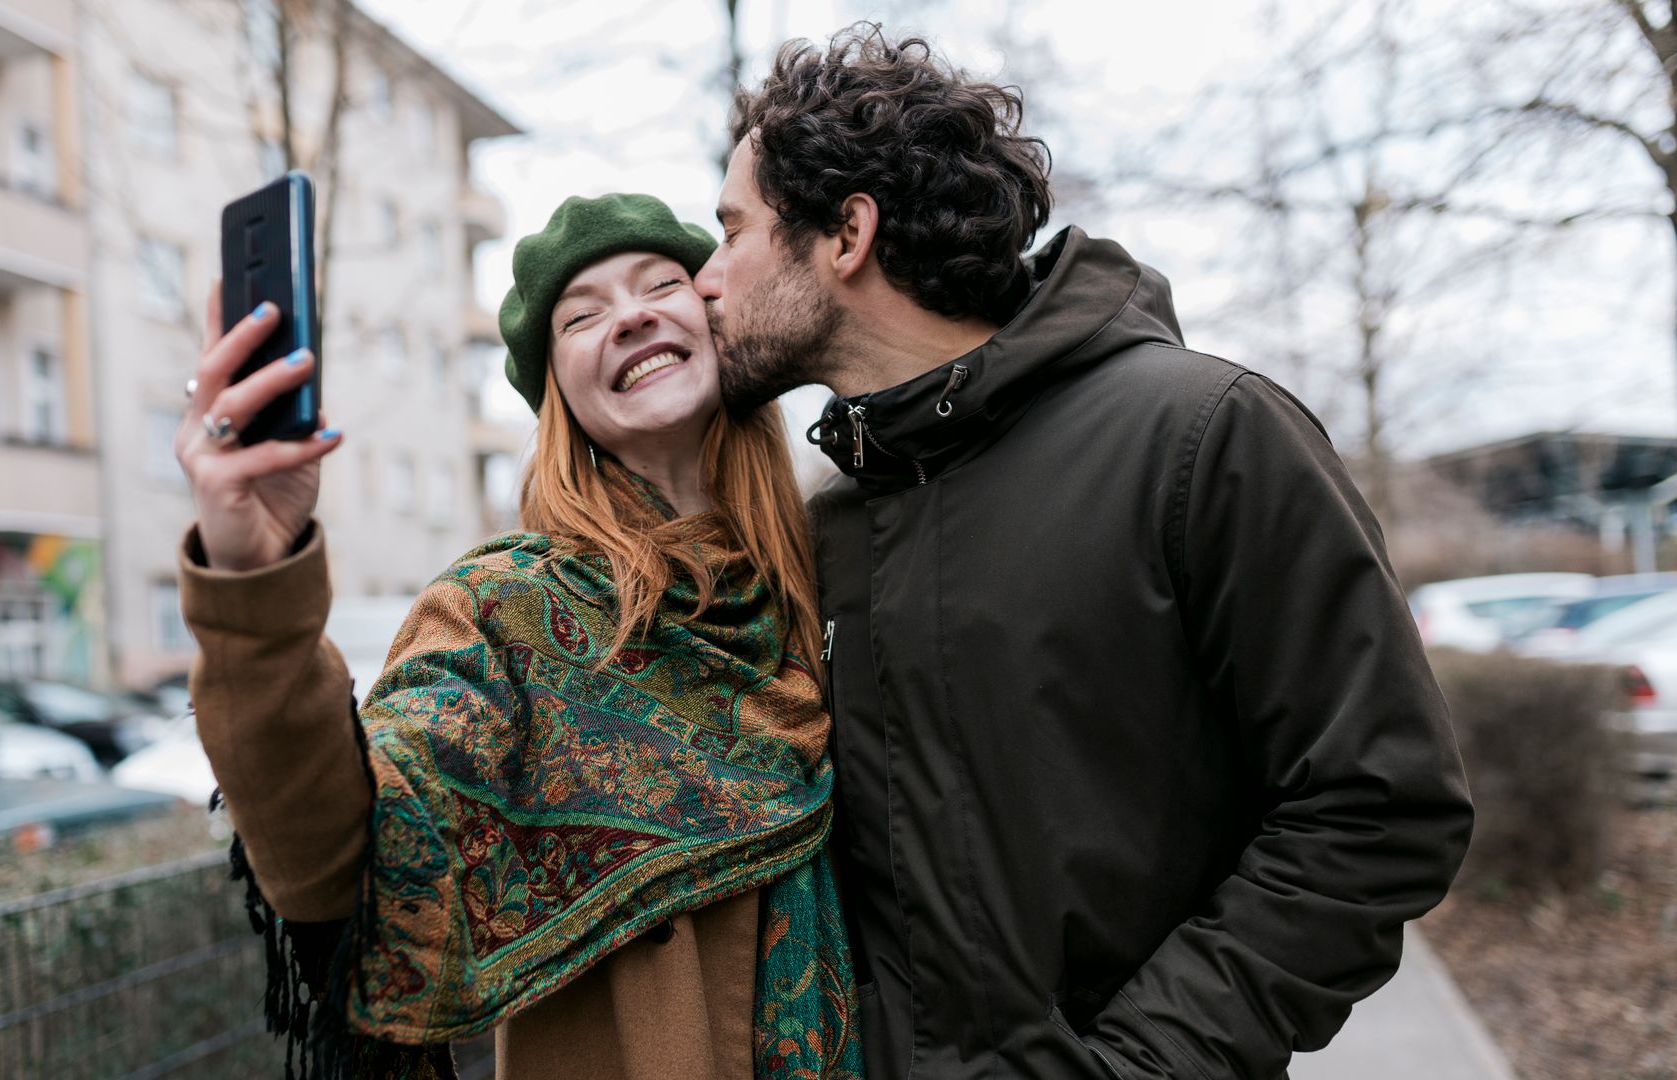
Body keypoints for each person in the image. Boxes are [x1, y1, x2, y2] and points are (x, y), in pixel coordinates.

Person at [693, 25, 1476, 1080]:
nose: (704, 278)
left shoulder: (1205, 439)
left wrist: (1141, 1068)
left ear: (847, 234)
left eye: (731, 230)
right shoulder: (831, 524)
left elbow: (1380, 807)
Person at [173, 194, 863, 1079]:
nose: (633, 315)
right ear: (557, 395)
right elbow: (345, 857)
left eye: (661, 284)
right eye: (582, 316)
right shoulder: (501, 610)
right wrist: (252, 585)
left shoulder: (832, 569)